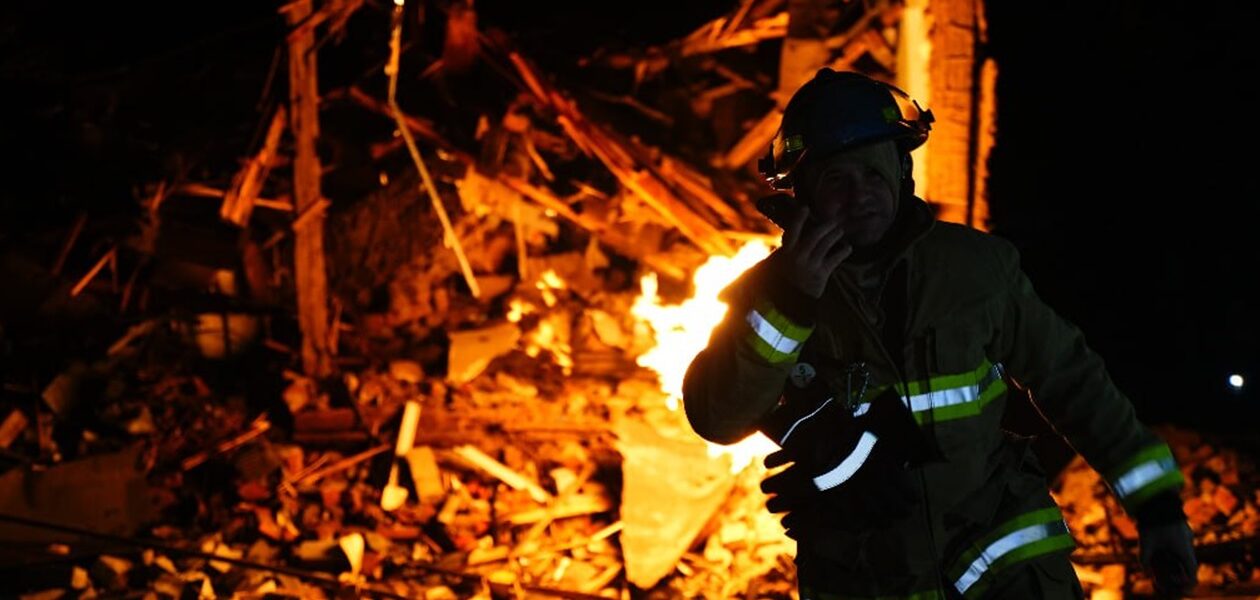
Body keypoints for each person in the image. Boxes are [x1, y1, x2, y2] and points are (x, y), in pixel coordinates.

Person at [681, 68, 1198, 599]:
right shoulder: (769, 293)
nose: (859, 195)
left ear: (902, 170)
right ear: (803, 192)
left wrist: (1157, 510)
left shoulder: (976, 269)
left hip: (1003, 567)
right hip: (871, 579)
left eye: (873, 172)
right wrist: (790, 304)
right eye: (836, 179)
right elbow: (717, 418)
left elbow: (1073, 381)